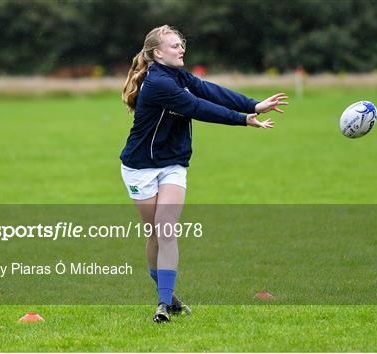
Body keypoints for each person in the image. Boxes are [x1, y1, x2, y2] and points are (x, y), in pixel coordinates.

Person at [120, 25, 288, 323]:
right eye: (174, 46)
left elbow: (207, 90)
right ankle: (168, 296)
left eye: (181, 44)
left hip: (173, 163)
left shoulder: (177, 75)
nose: (181, 49)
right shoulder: (158, 83)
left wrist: (253, 105)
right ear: (158, 53)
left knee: (167, 228)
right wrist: (243, 119)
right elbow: (196, 107)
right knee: (156, 235)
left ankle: (162, 306)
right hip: (140, 167)